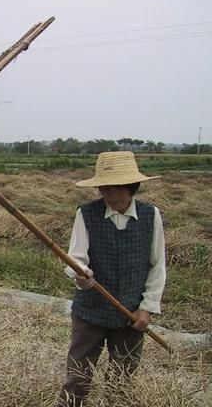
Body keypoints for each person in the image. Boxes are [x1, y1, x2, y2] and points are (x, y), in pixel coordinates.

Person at [57, 151, 166, 407]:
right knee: (78, 375)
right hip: (90, 311)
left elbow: (157, 265)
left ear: (132, 188)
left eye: (119, 189)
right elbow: (75, 258)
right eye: (106, 188)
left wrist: (146, 308)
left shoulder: (151, 216)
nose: (113, 195)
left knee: (122, 378)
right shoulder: (86, 214)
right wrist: (81, 275)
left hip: (131, 314)